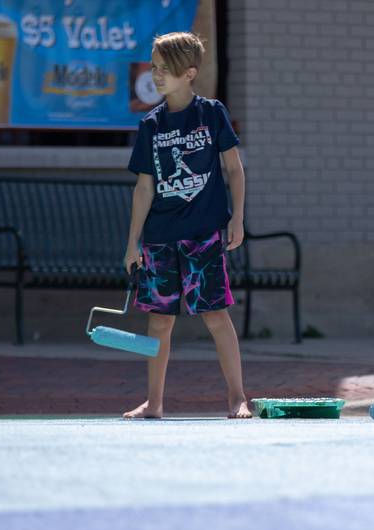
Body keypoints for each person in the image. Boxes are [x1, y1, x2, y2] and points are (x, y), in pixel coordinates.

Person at [122, 31, 251, 419]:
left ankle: (237, 396)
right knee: (159, 322)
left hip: (203, 235)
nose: (157, 75)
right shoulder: (151, 125)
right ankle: (155, 403)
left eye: (165, 69)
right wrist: (132, 243)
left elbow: (234, 169)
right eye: (154, 67)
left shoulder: (211, 114)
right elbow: (144, 188)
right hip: (160, 239)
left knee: (215, 315)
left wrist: (237, 219)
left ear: (189, 73)